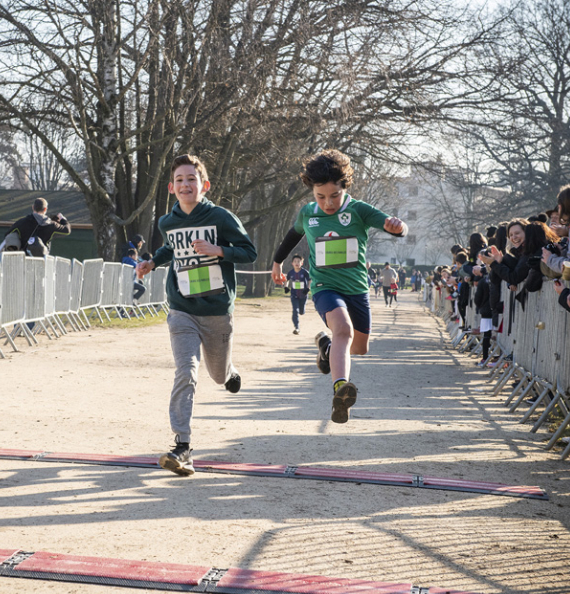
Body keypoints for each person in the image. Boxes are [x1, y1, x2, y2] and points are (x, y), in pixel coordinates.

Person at [136, 154, 257, 476]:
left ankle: (230, 372)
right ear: (171, 188)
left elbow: (249, 251)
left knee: (217, 375)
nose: (185, 185)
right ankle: (182, 446)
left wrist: (220, 251)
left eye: (191, 179)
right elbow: (170, 249)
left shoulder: (220, 217)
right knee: (186, 370)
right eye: (179, 180)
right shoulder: (168, 222)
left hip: (217, 311)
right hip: (181, 308)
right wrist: (152, 263)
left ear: (204, 185)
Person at [271, 149, 407, 424]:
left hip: (356, 288)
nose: (327, 203)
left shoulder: (359, 210)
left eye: (334, 195)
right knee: (343, 329)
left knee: (359, 347)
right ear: (312, 192)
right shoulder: (308, 214)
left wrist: (398, 226)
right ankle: (340, 389)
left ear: (345, 187)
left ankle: (326, 345)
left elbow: (396, 227)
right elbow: (291, 236)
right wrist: (277, 263)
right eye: (320, 196)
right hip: (324, 287)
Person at [3, 198, 71, 257]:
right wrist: (62, 219)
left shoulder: (22, 222)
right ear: (45, 209)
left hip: (25, 260)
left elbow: (8, 234)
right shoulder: (52, 225)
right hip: (42, 261)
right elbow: (67, 230)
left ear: (33, 207)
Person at [284, 254, 310, 334]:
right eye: (295, 261)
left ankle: (302, 310)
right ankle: (297, 328)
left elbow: (310, 279)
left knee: (301, 312)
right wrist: (286, 287)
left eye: (298, 261)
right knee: (295, 310)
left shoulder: (304, 272)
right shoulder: (291, 273)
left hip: (303, 295)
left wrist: (308, 288)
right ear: (292, 263)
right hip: (294, 295)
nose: (297, 263)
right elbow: (286, 279)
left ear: (301, 263)